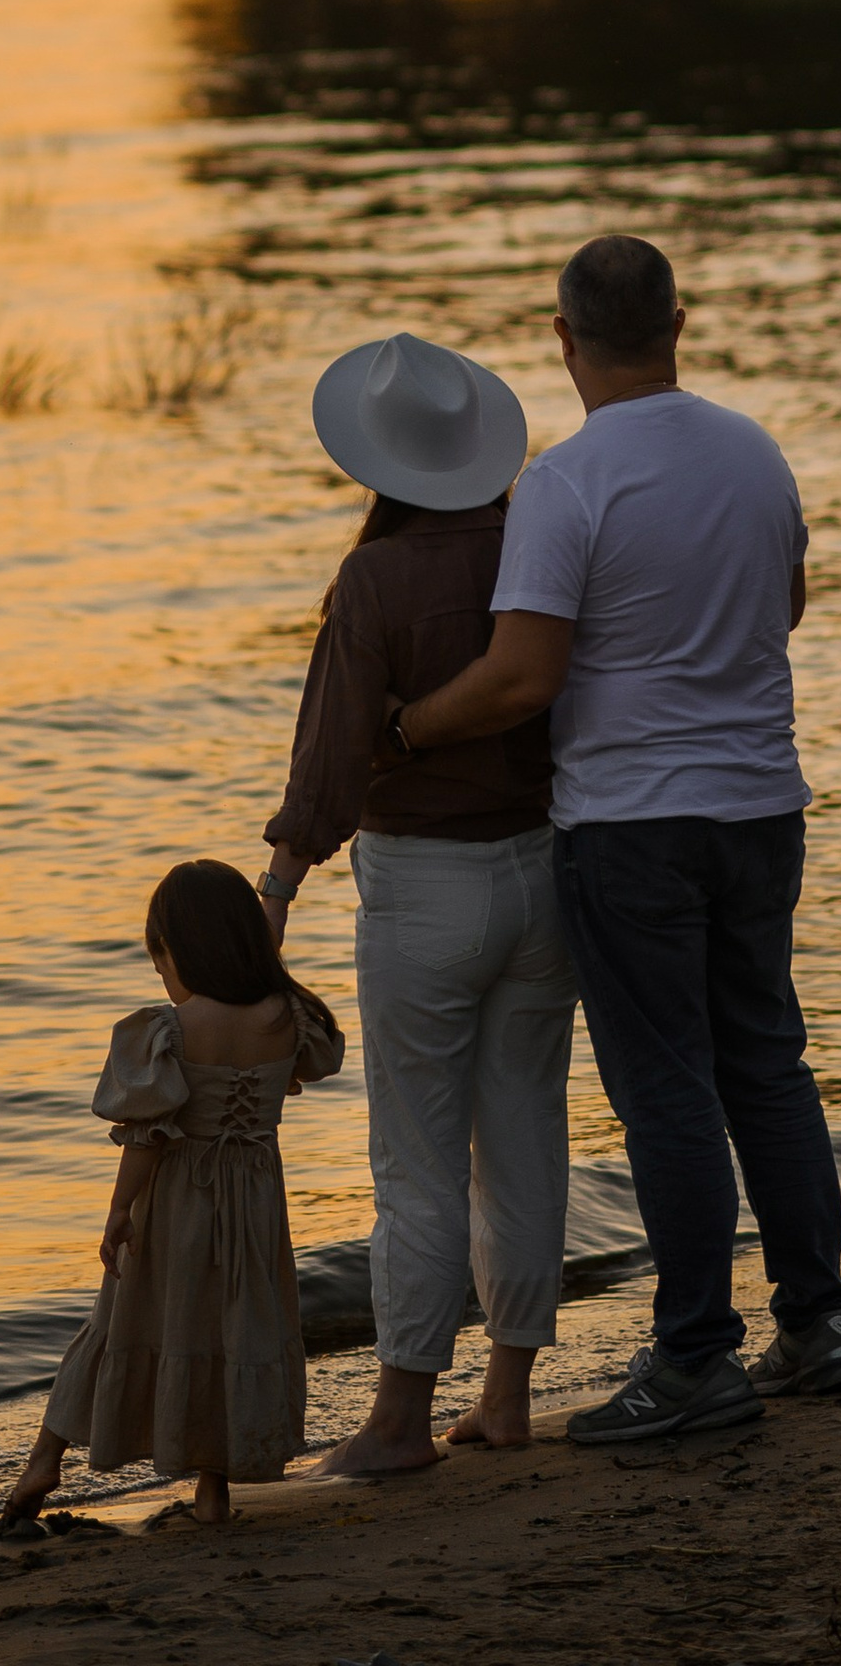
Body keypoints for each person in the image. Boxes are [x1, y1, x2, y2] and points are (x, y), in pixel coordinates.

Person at [389, 232, 841, 1445]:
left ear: (562, 338)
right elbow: (788, 602)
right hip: (762, 803)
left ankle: (698, 1353)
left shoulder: (567, 480)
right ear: (678, 322)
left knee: (666, 1088)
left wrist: (405, 724)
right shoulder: (753, 452)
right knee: (767, 1062)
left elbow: (518, 676)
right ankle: (816, 1326)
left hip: (633, 826)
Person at [259, 329, 576, 1479]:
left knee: (417, 1160)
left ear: (377, 463)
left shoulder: (376, 578)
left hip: (424, 889)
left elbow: (331, 756)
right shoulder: (541, 538)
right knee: (526, 1138)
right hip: (547, 871)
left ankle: (398, 1417)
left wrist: (282, 879)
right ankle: (507, 1393)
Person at [0, 858, 344, 1530]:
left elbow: (148, 1135)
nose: (161, 969)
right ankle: (213, 1493)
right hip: (255, 1204)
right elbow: (305, 1070)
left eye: (160, 953)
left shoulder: (172, 1030)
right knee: (233, 1329)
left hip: (179, 1197)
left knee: (118, 1323)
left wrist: (120, 1212)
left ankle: (45, 1458)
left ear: (181, 948)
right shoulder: (291, 1015)